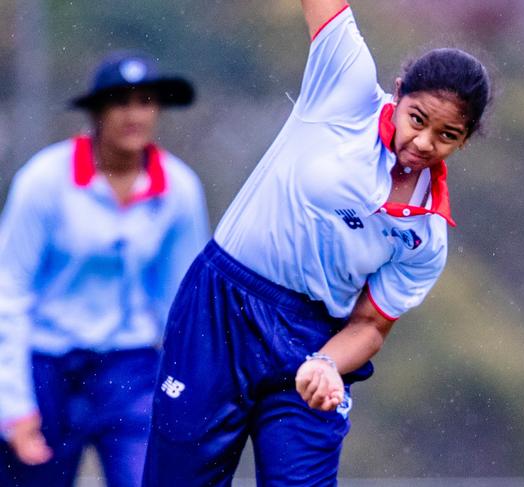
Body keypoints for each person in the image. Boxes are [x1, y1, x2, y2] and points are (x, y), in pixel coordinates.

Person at [143, 1, 492, 485]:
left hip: (312, 343)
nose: (424, 141)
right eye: (418, 119)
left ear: (465, 140)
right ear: (398, 94)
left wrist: (328, 364)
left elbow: (370, 325)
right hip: (222, 306)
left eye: (447, 135)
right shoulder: (345, 88)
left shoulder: (427, 237)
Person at [0, 51, 210, 487]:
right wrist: (13, 405)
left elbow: (183, 307)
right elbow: (9, 291)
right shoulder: (44, 181)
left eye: (146, 101)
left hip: (129, 370)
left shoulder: (180, 190)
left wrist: (192, 397)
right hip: (47, 367)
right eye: (121, 102)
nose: (134, 115)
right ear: (97, 111)